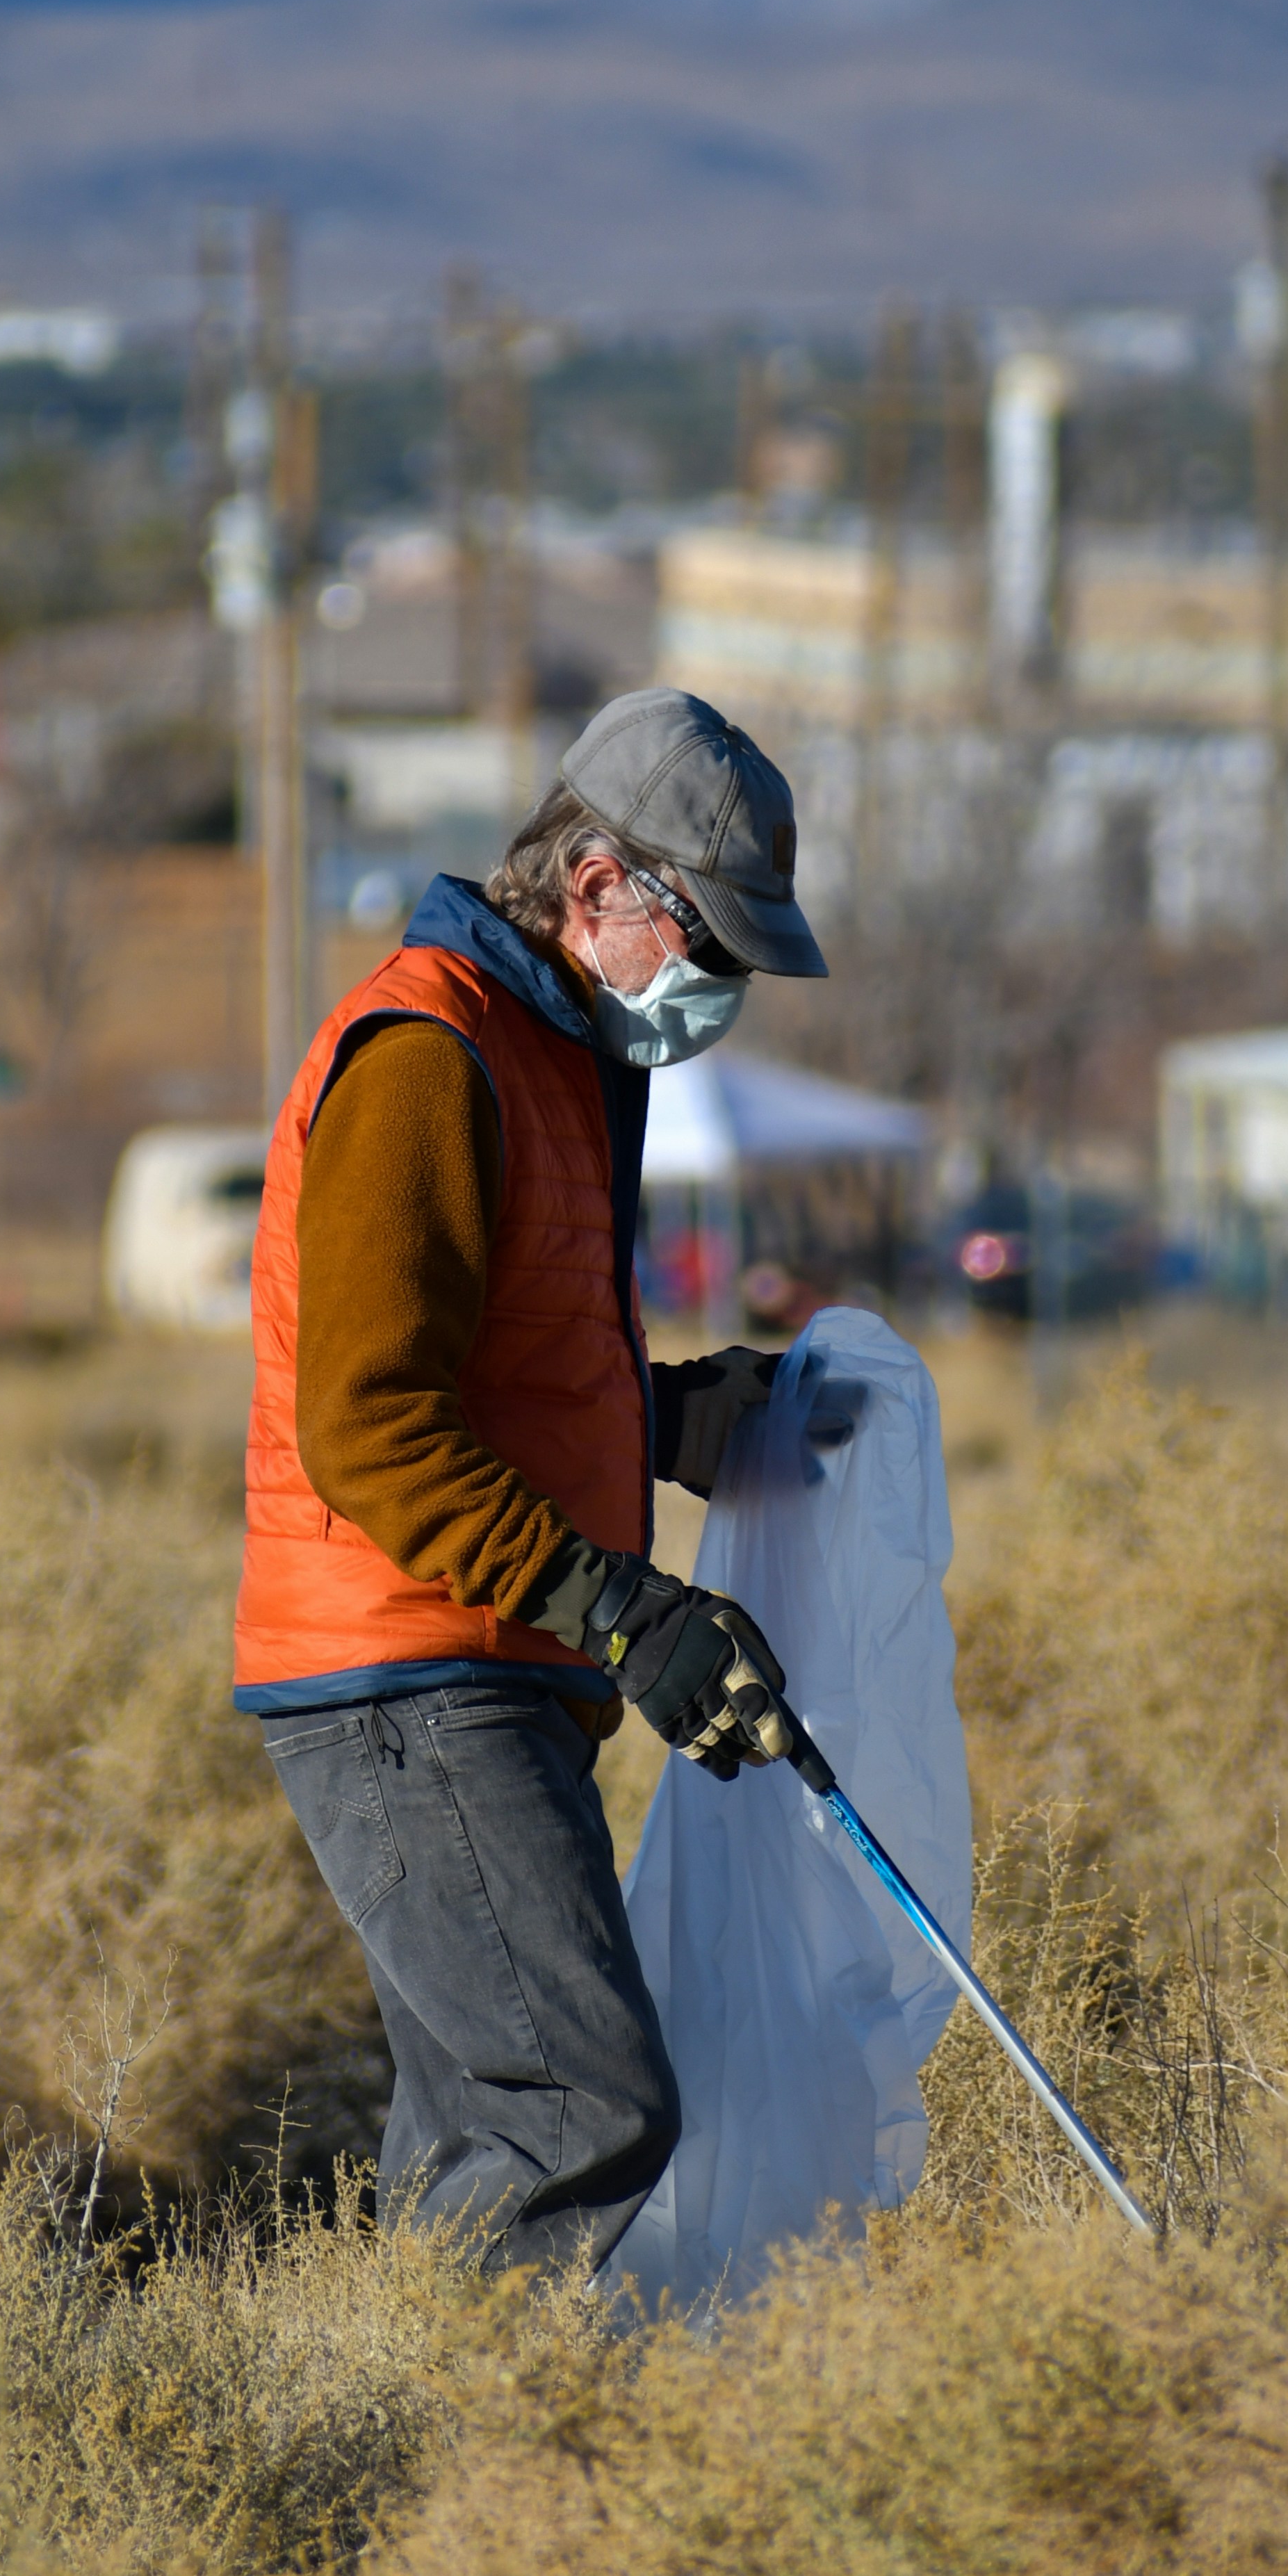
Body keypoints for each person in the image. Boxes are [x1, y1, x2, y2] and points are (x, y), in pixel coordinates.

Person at [233, 685, 829, 2271]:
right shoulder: (427, 1054)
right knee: (580, 2111)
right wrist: (624, 1612)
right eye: (709, 948)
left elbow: (520, 1378)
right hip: (411, 1678)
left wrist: (707, 1425)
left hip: (483, 1671)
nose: (723, 993)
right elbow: (366, 1422)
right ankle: (494, 2487)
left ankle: (407, 2484)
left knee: (484, 2140)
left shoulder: (559, 1058)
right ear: (592, 889)